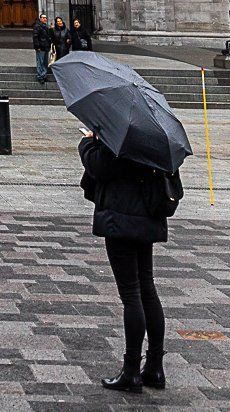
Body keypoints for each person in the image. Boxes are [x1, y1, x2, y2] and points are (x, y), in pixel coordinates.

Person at [78, 128, 179, 393]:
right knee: (147, 288)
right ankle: (154, 367)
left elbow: (100, 167)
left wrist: (87, 143)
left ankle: (132, 370)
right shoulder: (156, 133)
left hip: (120, 216)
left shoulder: (118, 133)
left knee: (131, 294)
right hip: (147, 215)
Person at [32, 10, 51, 83]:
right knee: (40, 62)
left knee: (45, 62)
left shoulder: (46, 26)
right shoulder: (37, 26)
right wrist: (37, 47)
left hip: (46, 47)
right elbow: (35, 37)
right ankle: (40, 76)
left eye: (45, 18)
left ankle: (44, 75)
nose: (45, 19)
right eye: (43, 18)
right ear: (40, 19)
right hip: (40, 47)